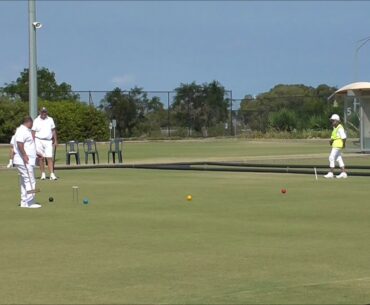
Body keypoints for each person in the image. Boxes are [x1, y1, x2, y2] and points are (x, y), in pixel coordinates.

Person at [13, 116, 41, 208]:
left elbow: (28, 145)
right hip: (24, 160)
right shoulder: (22, 130)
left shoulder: (25, 130)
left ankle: (24, 202)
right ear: (29, 122)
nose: (32, 126)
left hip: (26, 160)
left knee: (24, 181)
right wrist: (24, 155)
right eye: (32, 124)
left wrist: (36, 154)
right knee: (30, 180)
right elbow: (19, 143)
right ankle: (30, 202)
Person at [32, 107, 58, 180]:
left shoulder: (50, 119)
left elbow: (53, 130)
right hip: (38, 140)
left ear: (46, 112)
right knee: (41, 158)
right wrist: (32, 142)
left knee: (49, 157)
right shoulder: (36, 120)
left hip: (48, 140)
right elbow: (33, 132)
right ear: (40, 112)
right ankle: (43, 174)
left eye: (45, 112)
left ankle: (52, 174)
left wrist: (55, 140)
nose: (44, 113)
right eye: (42, 112)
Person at [324, 114, 348, 179]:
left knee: (331, 157)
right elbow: (334, 136)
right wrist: (331, 141)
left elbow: (344, 137)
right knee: (338, 158)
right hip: (336, 145)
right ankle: (343, 173)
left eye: (333, 121)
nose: (332, 122)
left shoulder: (340, 128)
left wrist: (343, 144)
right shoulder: (335, 128)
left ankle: (331, 173)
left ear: (337, 121)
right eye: (332, 121)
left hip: (338, 145)